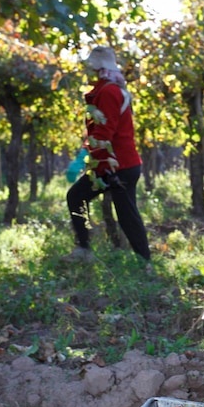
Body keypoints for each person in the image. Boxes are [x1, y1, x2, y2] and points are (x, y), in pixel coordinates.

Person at [63, 46, 151, 263]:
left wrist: (84, 158)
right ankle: (87, 248)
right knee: (82, 198)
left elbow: (104, 132)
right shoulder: (107, 89)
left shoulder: (109, 92)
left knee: (123, 213)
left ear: (98, 69)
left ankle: (143, 261)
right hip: (115, 164)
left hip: (117, 166)